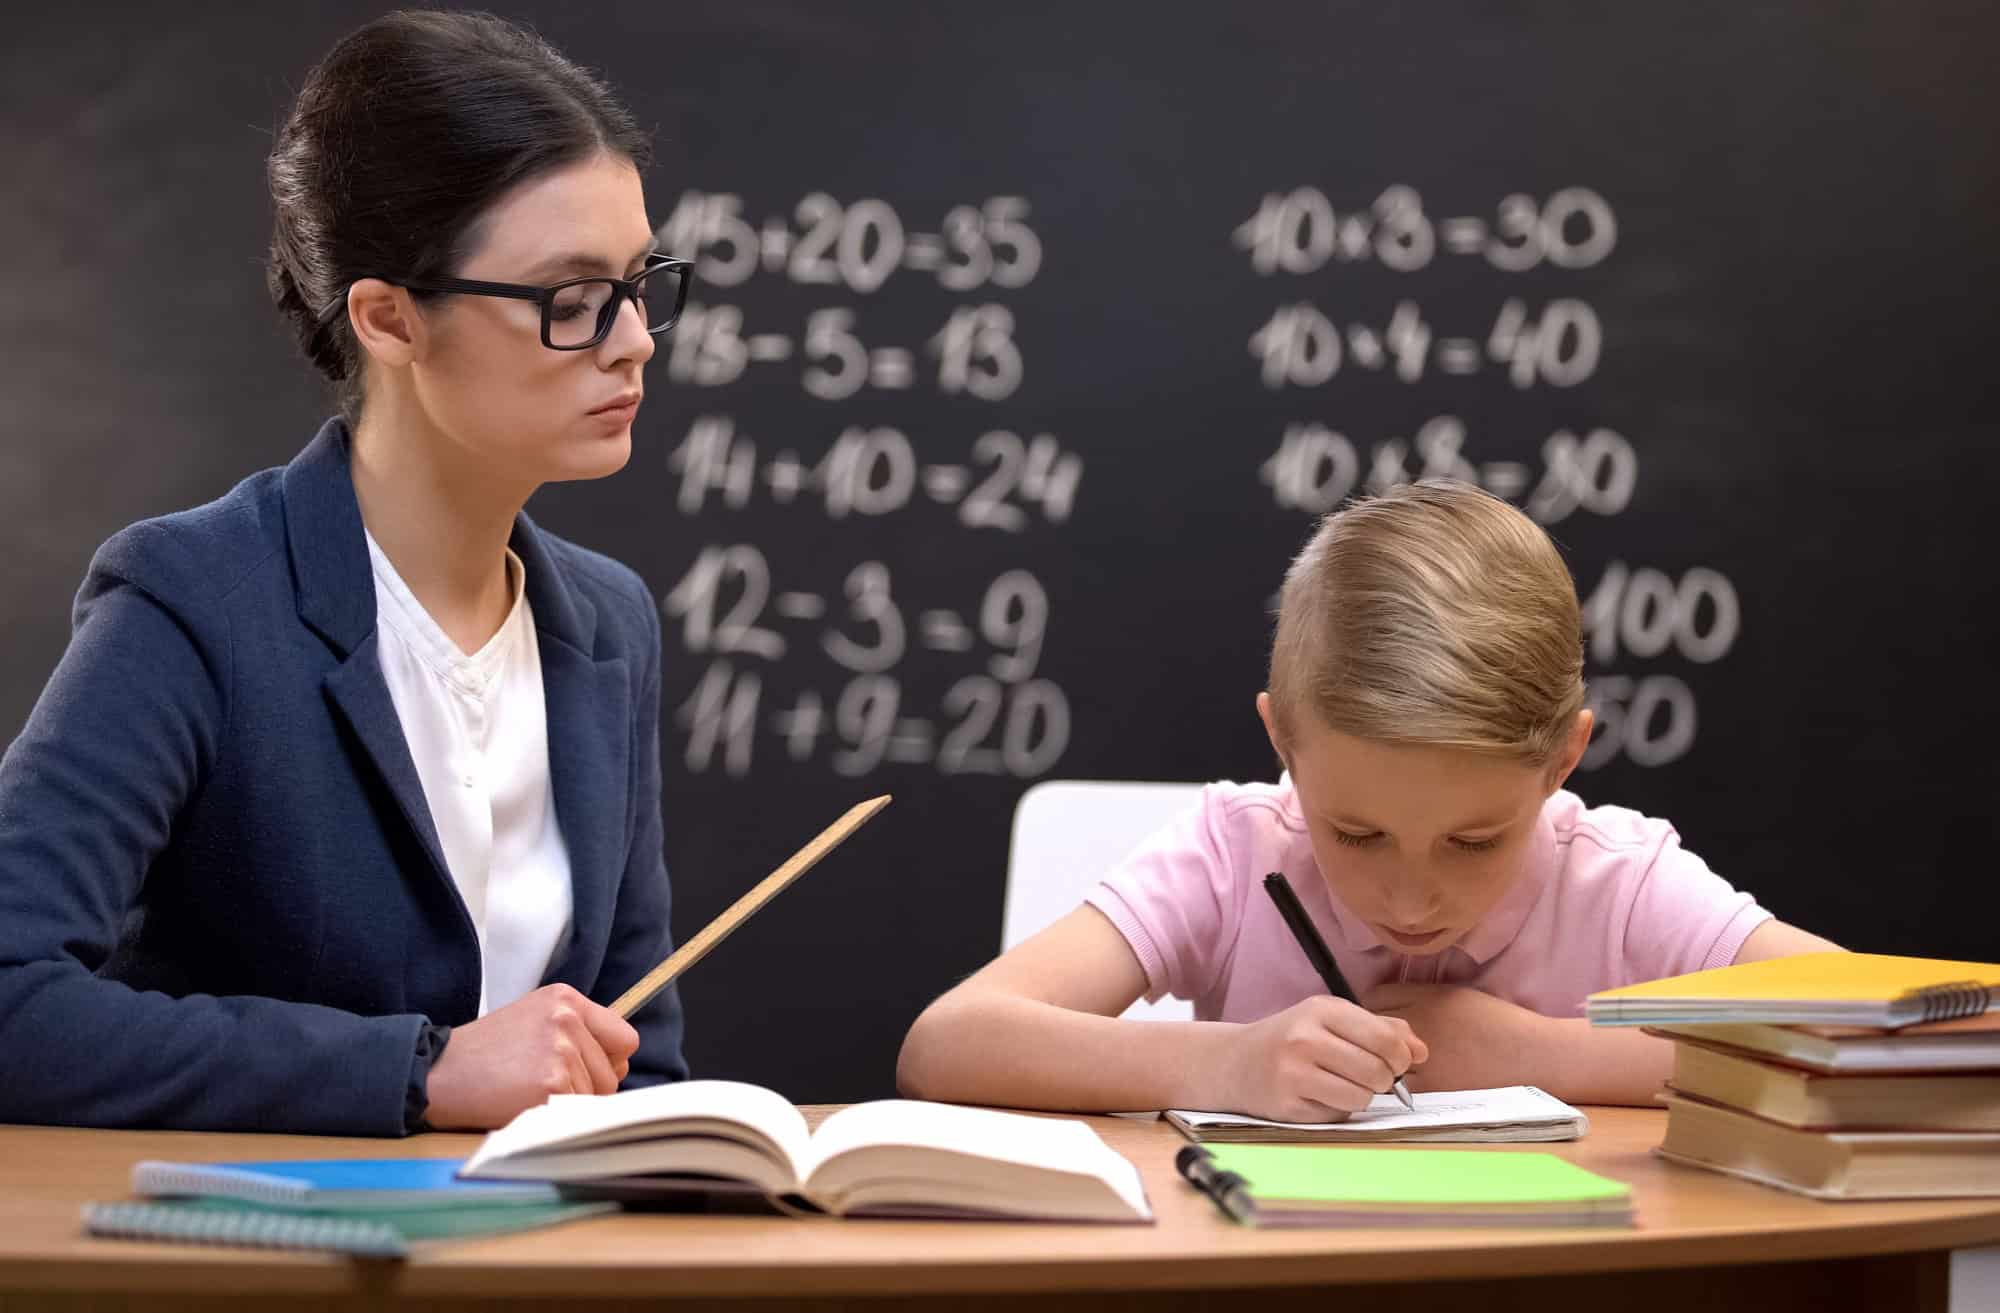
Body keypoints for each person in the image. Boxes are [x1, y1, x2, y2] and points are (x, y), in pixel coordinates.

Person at [0, 11, 695, 1135]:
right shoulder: (195, 601)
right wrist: (417, 1072)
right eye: (570, 301)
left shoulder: (607, 623)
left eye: (638, 280)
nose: (634, 341)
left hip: (529, 1273)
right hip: (262, 1272)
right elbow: (10, 995)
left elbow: (636, 1052)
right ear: (386, 318)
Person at [899, 480, 1839, 1120]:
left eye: (1474, 841)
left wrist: (1540, 1056)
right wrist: (1227, 1063)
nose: (1412, 899)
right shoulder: (1236, 856)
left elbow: (1932, 1027)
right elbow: (948, 1044)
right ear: (1284, 744)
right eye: (1356, 832)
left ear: (1562, 761)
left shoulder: (1620, 884)